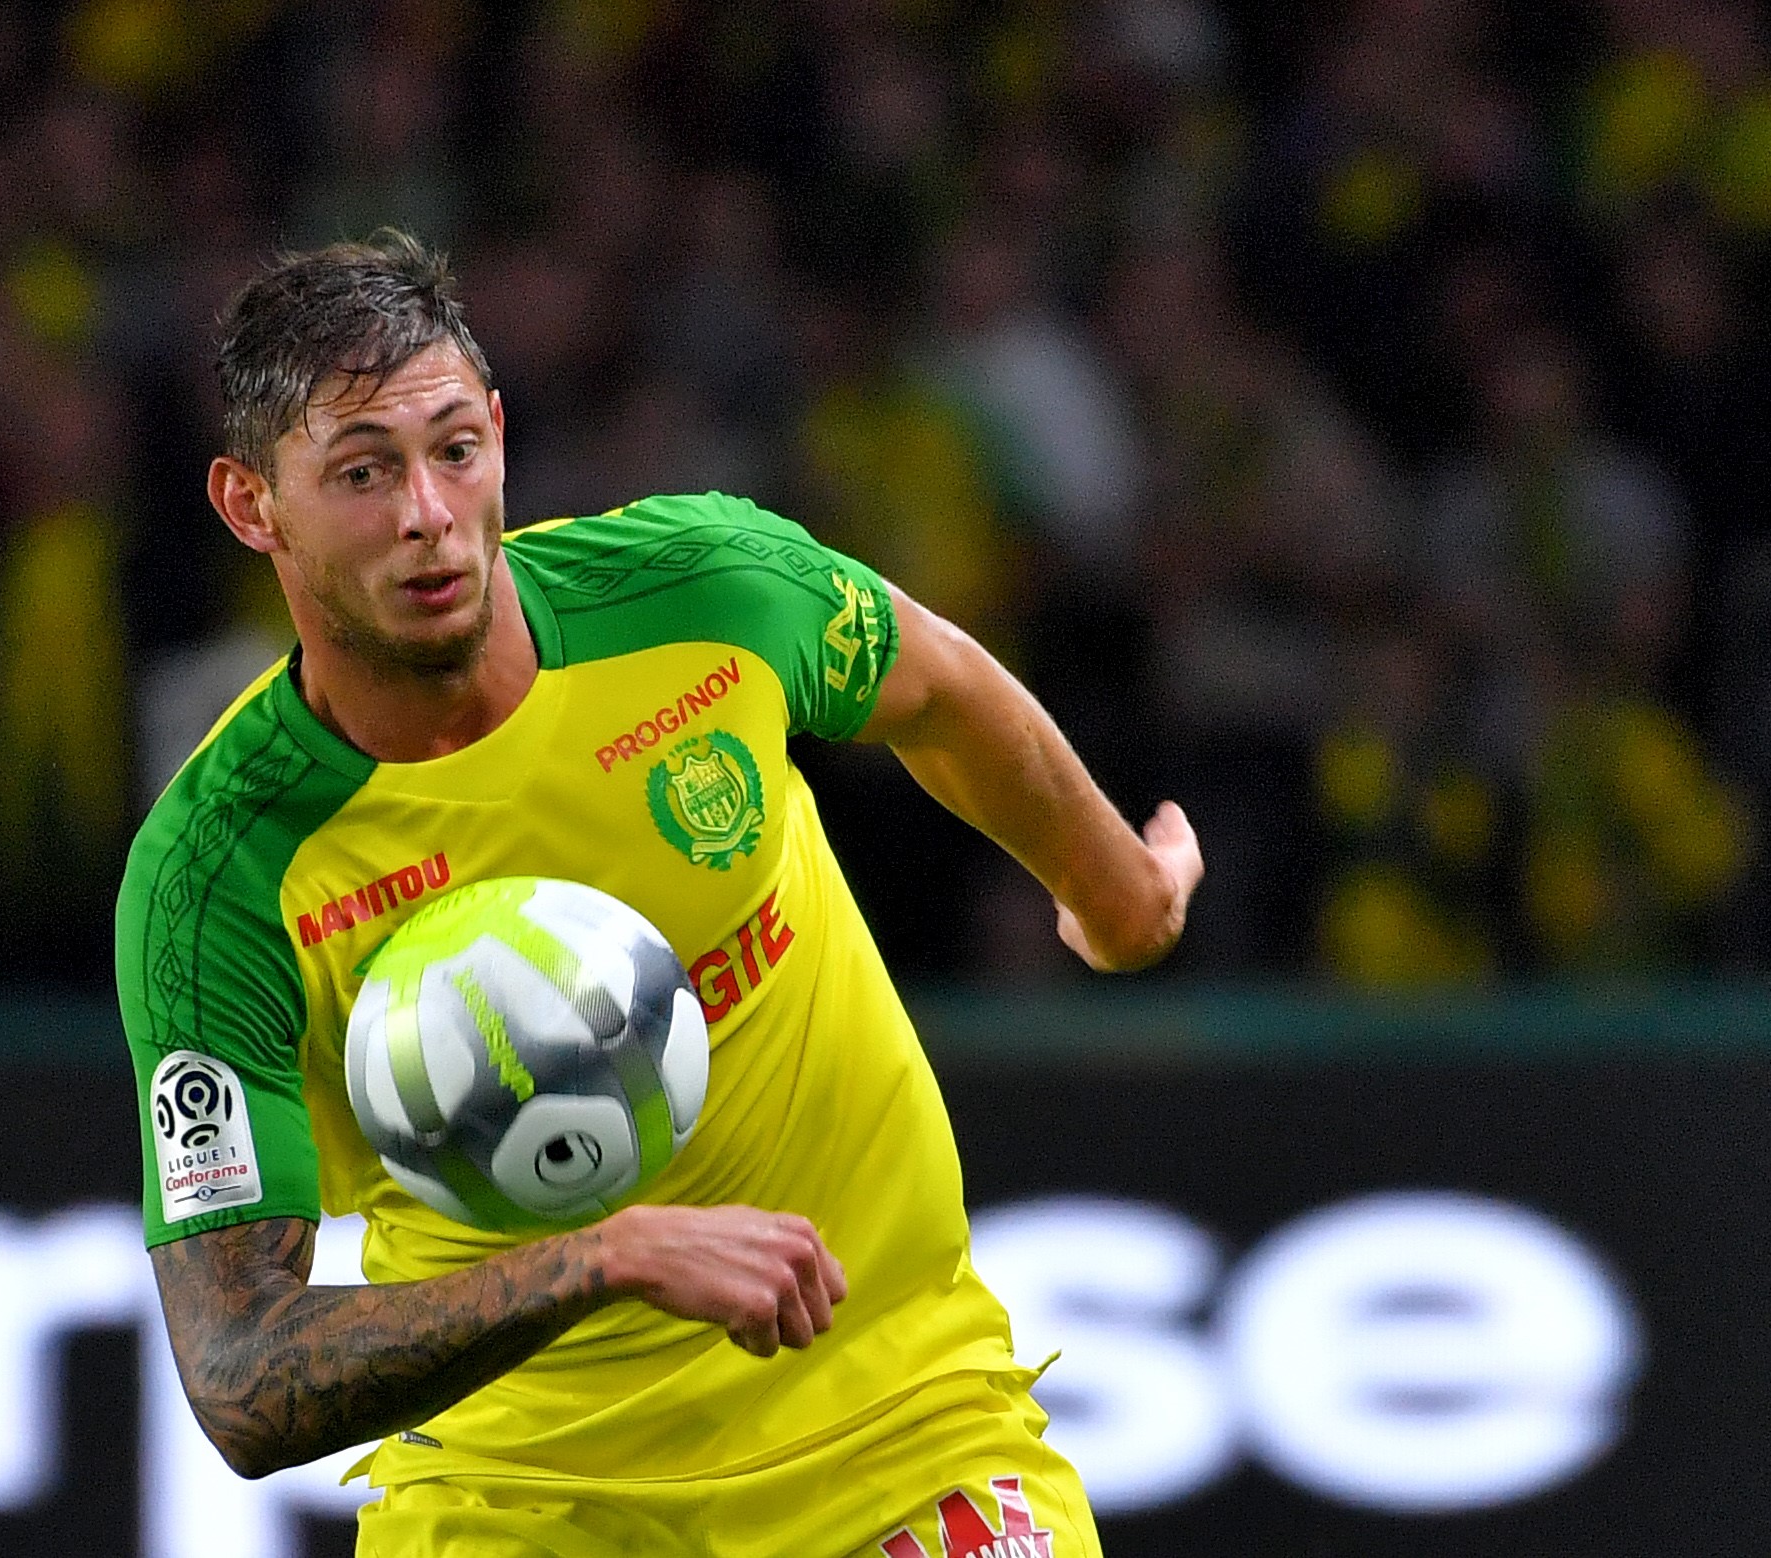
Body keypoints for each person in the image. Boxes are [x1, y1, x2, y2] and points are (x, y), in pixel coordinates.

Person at [116, 231, 1202, 1558]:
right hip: (519, 1507)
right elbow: (241, 1371)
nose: (427, 514)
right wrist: (601, 1253)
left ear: (500, 435)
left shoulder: (697, 590)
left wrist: (1115, 891)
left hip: (898, 1440)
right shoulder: (215, 875)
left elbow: (940, 685)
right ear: (249, 504)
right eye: (360, 472)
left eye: (454, 449)